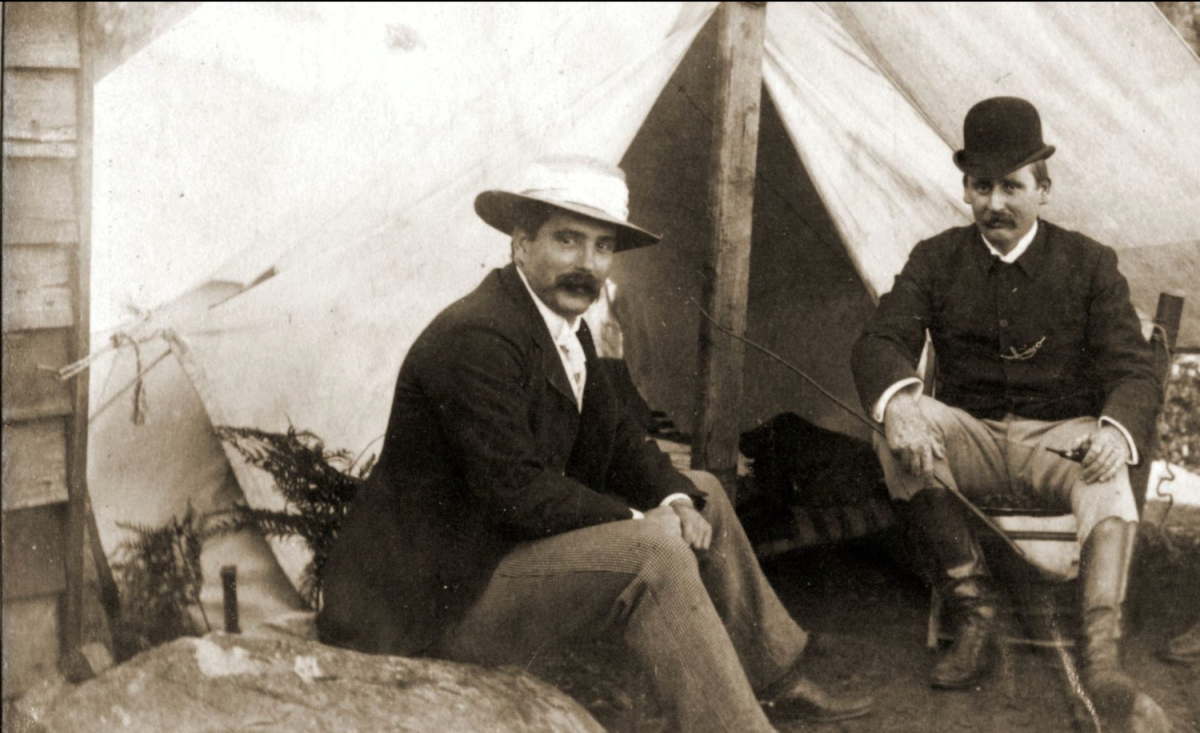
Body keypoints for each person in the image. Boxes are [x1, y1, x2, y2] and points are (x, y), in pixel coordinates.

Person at [318, 156, 874, 733]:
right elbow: (517, 492)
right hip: (435, 599)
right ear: (521, 244)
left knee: (702, 490)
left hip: (491, 559)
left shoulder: (565, 326)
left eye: (603, 247)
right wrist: (643, 519)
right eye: (567, 240)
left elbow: (622, 443)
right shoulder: (477, 336)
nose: (587, 265)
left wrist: (677, 502)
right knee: (652, 551)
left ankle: (779, 680)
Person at [851, 97, 1168, 726]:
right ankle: (977, 614)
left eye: (1012, 186)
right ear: (966, 190)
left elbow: (1132, 369)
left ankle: (1103, 662)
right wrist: (904, 403)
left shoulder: (1089, 264)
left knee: (1108, 475)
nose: (995, 203)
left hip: (1063, 447)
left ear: (1043, 189)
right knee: (895, 433)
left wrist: (1113, 431)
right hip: (972, 442)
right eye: (981, 186)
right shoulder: (935, 259)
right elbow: (880, 340)